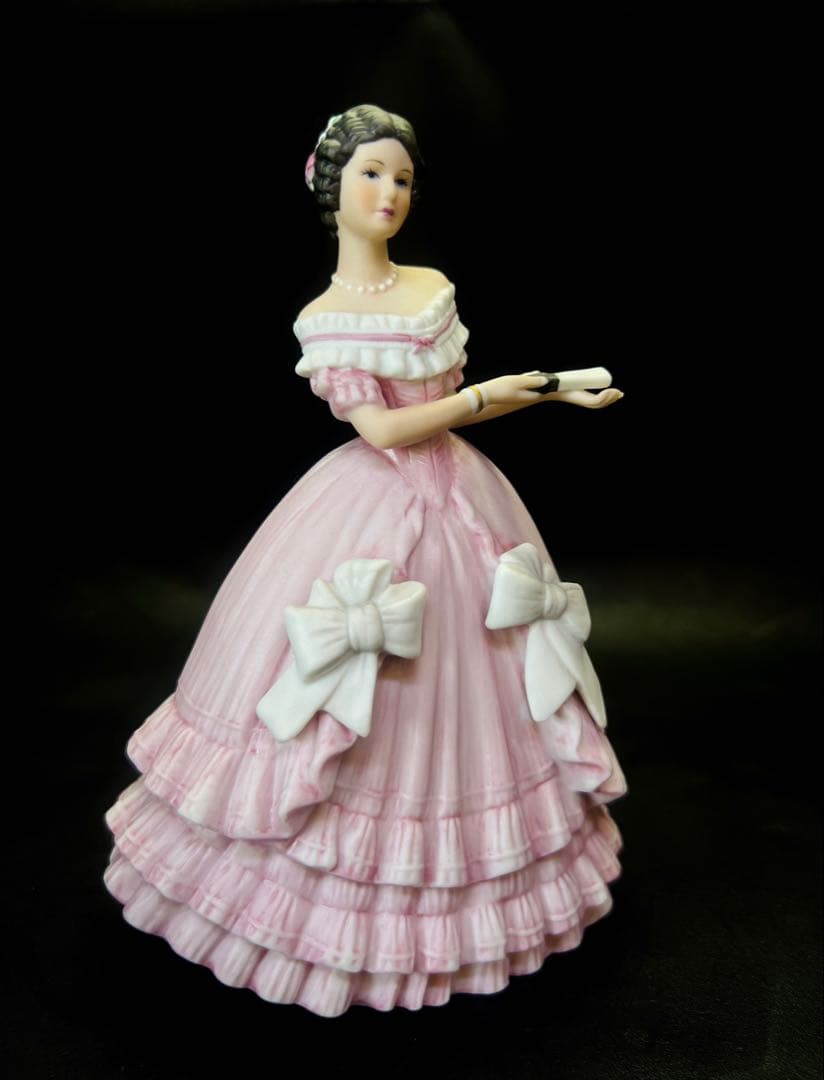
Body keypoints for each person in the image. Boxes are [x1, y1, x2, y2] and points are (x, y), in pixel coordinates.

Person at [103, 104, 629, 1018]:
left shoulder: (430, 287)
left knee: (491, 677)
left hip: (463, 499)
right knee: (337, 689)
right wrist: (486, 396)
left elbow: (461, 405)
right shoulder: (323, 318)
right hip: (369, 509)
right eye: (371, 174)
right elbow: (384, 429)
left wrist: (545, 391)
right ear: (329, 184)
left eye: (403, 178)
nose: (389, 192)